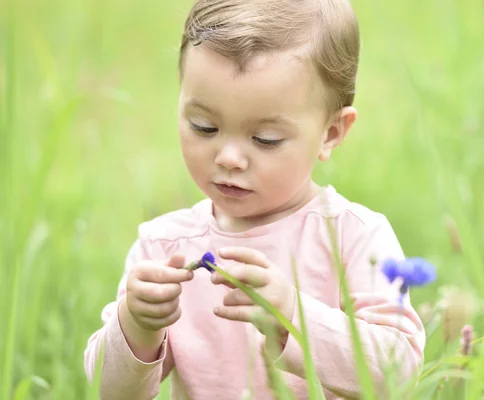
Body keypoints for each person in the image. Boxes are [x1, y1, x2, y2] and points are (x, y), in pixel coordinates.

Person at [84, 0, 425, 398]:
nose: (228, 158)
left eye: (265, 139)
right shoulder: (164, 248)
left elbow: (398, 371)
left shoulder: (353, 236)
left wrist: (293, 316)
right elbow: (108, 392)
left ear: (331, 133)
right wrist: (137, 325)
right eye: (204, 127)